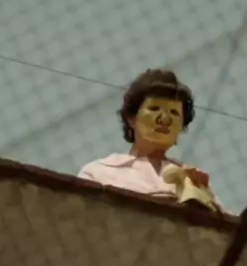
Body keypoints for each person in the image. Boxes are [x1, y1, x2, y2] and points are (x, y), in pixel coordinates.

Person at [78, 69, 223, 212]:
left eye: (174, 112)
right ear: (132, 118)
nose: (165, 119)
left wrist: (202, 200)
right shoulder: (99, 172)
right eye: (154, 108)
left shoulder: (192, 180)